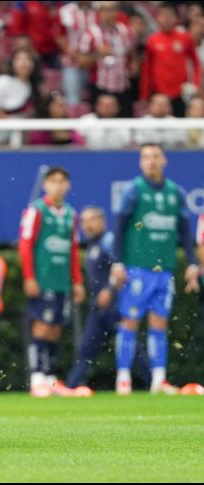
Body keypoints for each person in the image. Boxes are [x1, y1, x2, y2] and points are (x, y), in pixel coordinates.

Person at [110, 143, 200, 395]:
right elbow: (118, 228)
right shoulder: (133, 190)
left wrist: (192, 263)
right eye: (146, 157)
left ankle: (158, 379)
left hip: (165, 269)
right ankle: (123, 378)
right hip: (137, 268)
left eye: (155, 156)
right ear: (140, 162)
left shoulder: (175, 193)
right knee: (129, 322)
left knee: (159, 324)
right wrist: (117, 262)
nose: (151, 161)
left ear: (164, 160)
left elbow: (184, 232)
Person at [63, 206, 150, 394]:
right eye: (84, 221)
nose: (87, 225)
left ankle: (153, 382)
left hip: (116, 306)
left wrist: (109, 290)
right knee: (86, 349)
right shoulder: (92, 245)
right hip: (99, 309)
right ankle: (71, 387)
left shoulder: (109, 241)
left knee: (131, 348)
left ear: (102, 221)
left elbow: (121, 267)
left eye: (91, 220)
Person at [19, 167, 86, 398]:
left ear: (68, 186)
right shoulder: (35, 211)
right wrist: (29, 277)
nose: (58, 186)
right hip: (42, 279)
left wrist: (77, 281)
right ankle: (37, 379)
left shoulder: (71, 214)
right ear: (46, 185)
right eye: (53, 181)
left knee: (55, 330)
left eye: (62, 181)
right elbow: (26, 245)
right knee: (41, 327)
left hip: (62, 282)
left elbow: (74, 250)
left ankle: (51, 378)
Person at [140, 2, 201, 118]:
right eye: (163, 16)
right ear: (157, 18)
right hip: (159, 95)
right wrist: (145, 95)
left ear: (176, 18)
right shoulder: (152, 40)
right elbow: (146, 69)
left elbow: (196, 63)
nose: (166, 19)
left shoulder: (185, 38)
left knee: (182, 127)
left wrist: (195, 84)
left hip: (181, 94)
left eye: (169, 16)